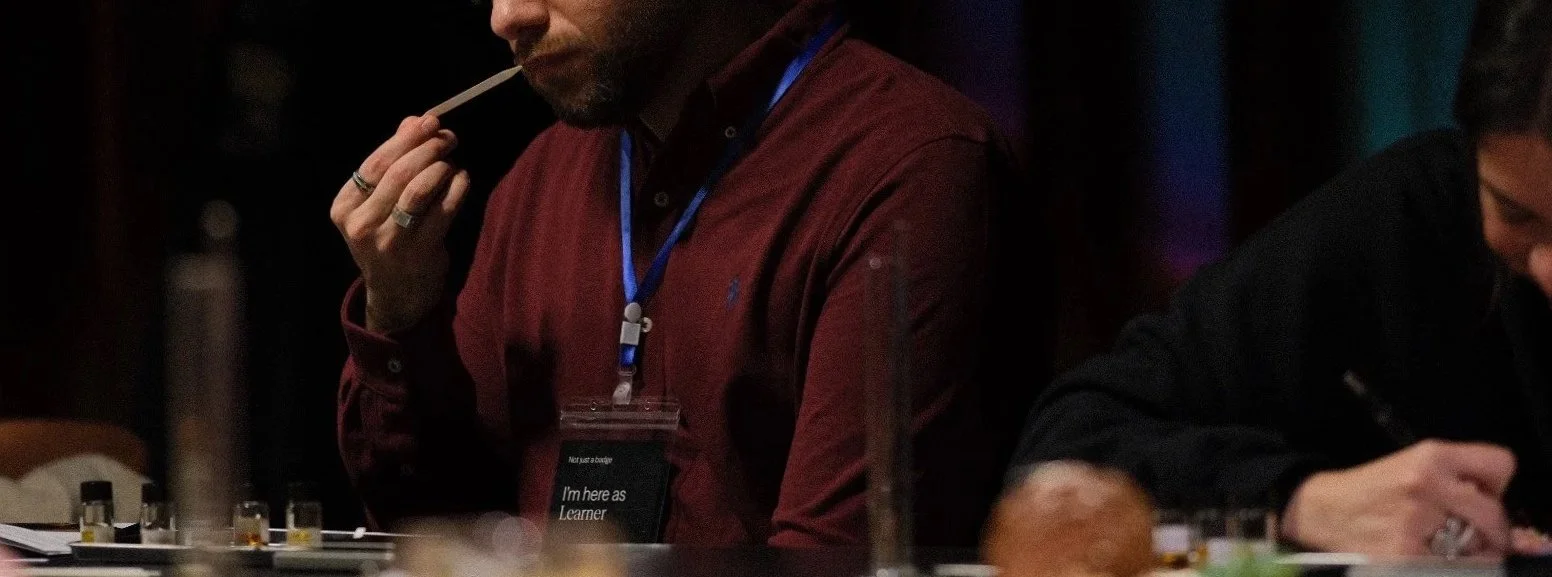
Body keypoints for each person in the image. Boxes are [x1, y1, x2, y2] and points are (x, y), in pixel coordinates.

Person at [328, 0, 1033, 546]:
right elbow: (437, 531)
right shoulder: (538, 180)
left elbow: (840, 558)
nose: (508, 17)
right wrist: (401, 310)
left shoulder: (909, 165)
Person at [1014, 0, 1552, 557]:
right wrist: (1300, 498)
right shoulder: (1409, 224)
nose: (1548, 271)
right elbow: (1067, 450)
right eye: (1516, 214)